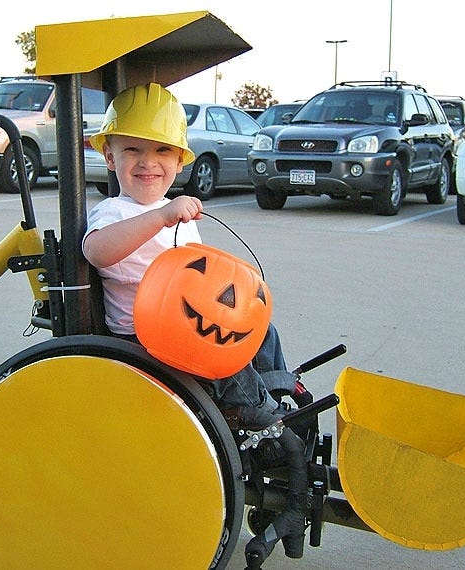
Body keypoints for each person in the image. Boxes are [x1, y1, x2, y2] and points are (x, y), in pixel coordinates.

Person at [82, 82, 312, 568]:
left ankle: (276, 388)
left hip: (179, 328)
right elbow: (97, 251)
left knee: (257, 323)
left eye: (162, 150)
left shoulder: (178, 215)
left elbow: (196, 272)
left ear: (180, 161)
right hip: (146, 339)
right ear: (108, 156)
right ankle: (259, 421)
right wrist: (163, 215)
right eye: (133, 151)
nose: (148, 162)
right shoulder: (116, 212)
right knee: (218, 347)